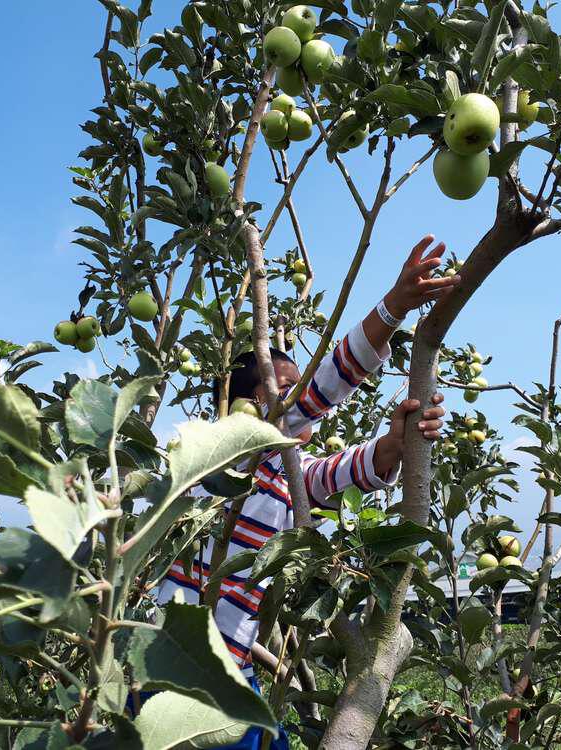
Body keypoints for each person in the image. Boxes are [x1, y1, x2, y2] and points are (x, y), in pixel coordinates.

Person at [151, 236, 458, 749]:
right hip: (181, 677)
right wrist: (393, 308)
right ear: (250, 405)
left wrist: (395, 441)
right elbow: (321, 391)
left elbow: (350, 469)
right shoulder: (223, 457)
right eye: (285, 389)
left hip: (234, 676)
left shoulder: (283, 475)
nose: (300, 402)